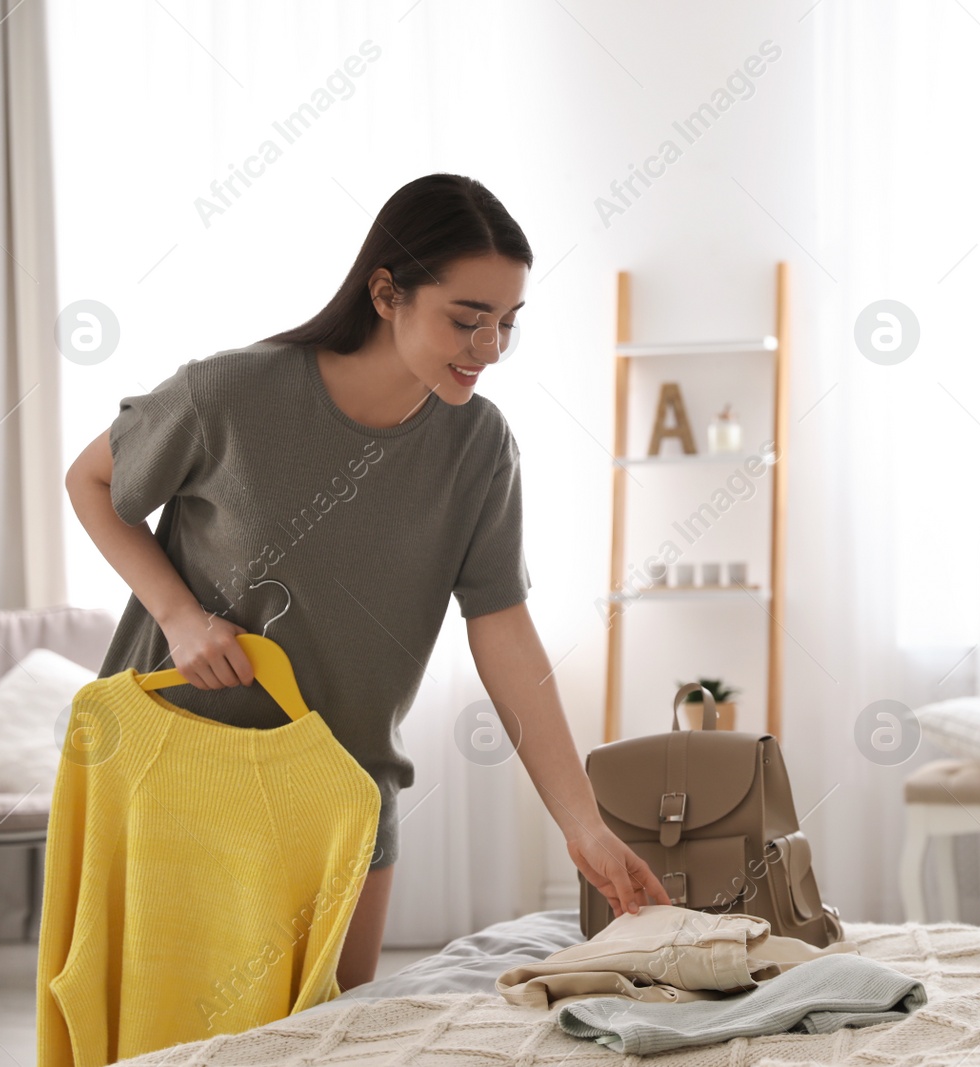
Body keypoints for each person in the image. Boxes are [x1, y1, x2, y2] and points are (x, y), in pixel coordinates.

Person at [64, 173, 669, 994]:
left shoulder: (479, 445)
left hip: (347, 784)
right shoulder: (230, 392)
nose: (489, 348)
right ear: (387, 292)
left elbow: (503, 629)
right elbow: (91, 481)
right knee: (169, 1033)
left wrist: (583, 825)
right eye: (467, 318)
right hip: (181, 761)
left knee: (331, 1031)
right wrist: (178, 614)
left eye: (506, 324)